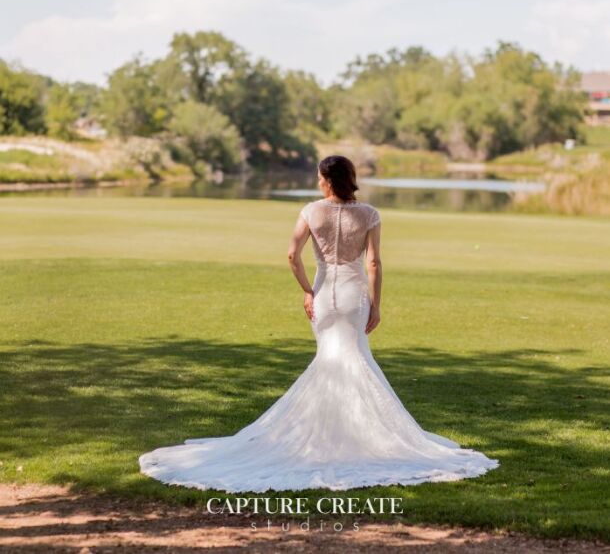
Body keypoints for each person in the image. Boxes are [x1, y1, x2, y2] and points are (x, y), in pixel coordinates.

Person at [139, 155, 499, 492]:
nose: (317, 181)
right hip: (355, 295)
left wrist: (308, 290)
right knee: (354, 360)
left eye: (319, 177)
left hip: (325, 293)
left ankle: (331, 438)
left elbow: (292, 254)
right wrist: (376, 305)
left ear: (327, 181)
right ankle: (355, 437)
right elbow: (373, 263)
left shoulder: (312, 211)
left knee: (333, 360)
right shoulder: (370, 214)